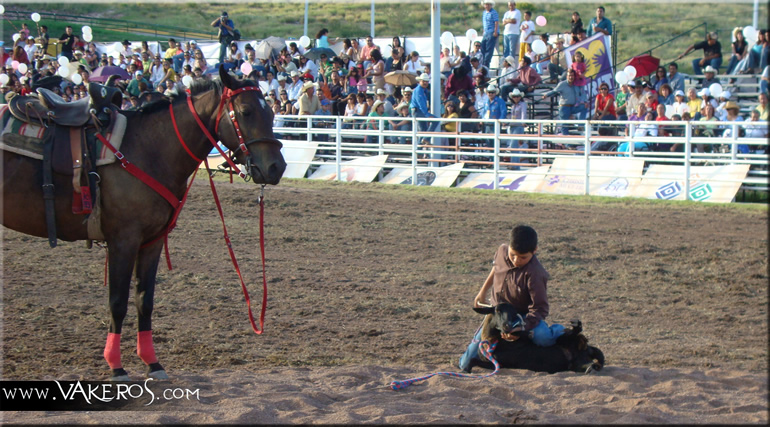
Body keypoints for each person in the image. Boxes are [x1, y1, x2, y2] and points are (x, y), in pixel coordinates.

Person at [459, 225, 567, 372]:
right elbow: (496, 269)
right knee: (465, 362)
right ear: (508, 247)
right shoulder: (501, 251)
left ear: (534, 251)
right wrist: (482, 291)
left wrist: (520, 327)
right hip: (497, 314)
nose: (517, 260)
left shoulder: (536, 273)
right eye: (513, 255)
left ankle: (560, 331)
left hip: (520, 315)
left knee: (542, 338)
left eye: (523, 257)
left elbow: (540, 308)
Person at [541, 69, 587, 135]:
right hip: (564, 107)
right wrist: (546, 95)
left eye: (572, 76)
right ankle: (566, 143)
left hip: (573, 107)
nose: (571, 77)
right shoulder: (562, 84)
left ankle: (580, 125)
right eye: (569, 76)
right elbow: (554, 91)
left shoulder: (576, 85)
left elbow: (582, 93)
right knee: (564, 125)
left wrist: (584, 102)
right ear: (567, 77)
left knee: (584, 107)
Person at [411, 73, 440, 140]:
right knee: (435, 121)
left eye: (426, 81)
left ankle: (422, 144)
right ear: (420, 81)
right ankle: (425, 139)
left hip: (419, 111)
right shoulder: (419, 90)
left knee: (423, 130)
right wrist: (427, 114)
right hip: (418, 111)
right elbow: (421, 103)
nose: (425, 83)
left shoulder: (423, 90)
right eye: (424, 81)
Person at [507, 88, 527, 168]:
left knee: (514, 145)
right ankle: (514, 164)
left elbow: (523, 114)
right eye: (514, 96)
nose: (516, 98)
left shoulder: (522, 104)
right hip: (512, 126)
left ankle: (514, 165)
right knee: (513, 146)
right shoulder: (513, 105)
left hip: (518, 126)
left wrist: (523, 122)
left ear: (520, 97)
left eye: (517, 96)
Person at [480, 0, 500, 69]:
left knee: (489, 49)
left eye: (488, 5)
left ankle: (486, 64)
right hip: (486, 32)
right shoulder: (484, 13)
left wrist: (495, 31)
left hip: (491, 31)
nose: (487, 6)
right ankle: (482, 62)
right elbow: (484, 23)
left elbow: (496, 22)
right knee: (483, 47)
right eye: (486, 4)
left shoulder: (493, 12)